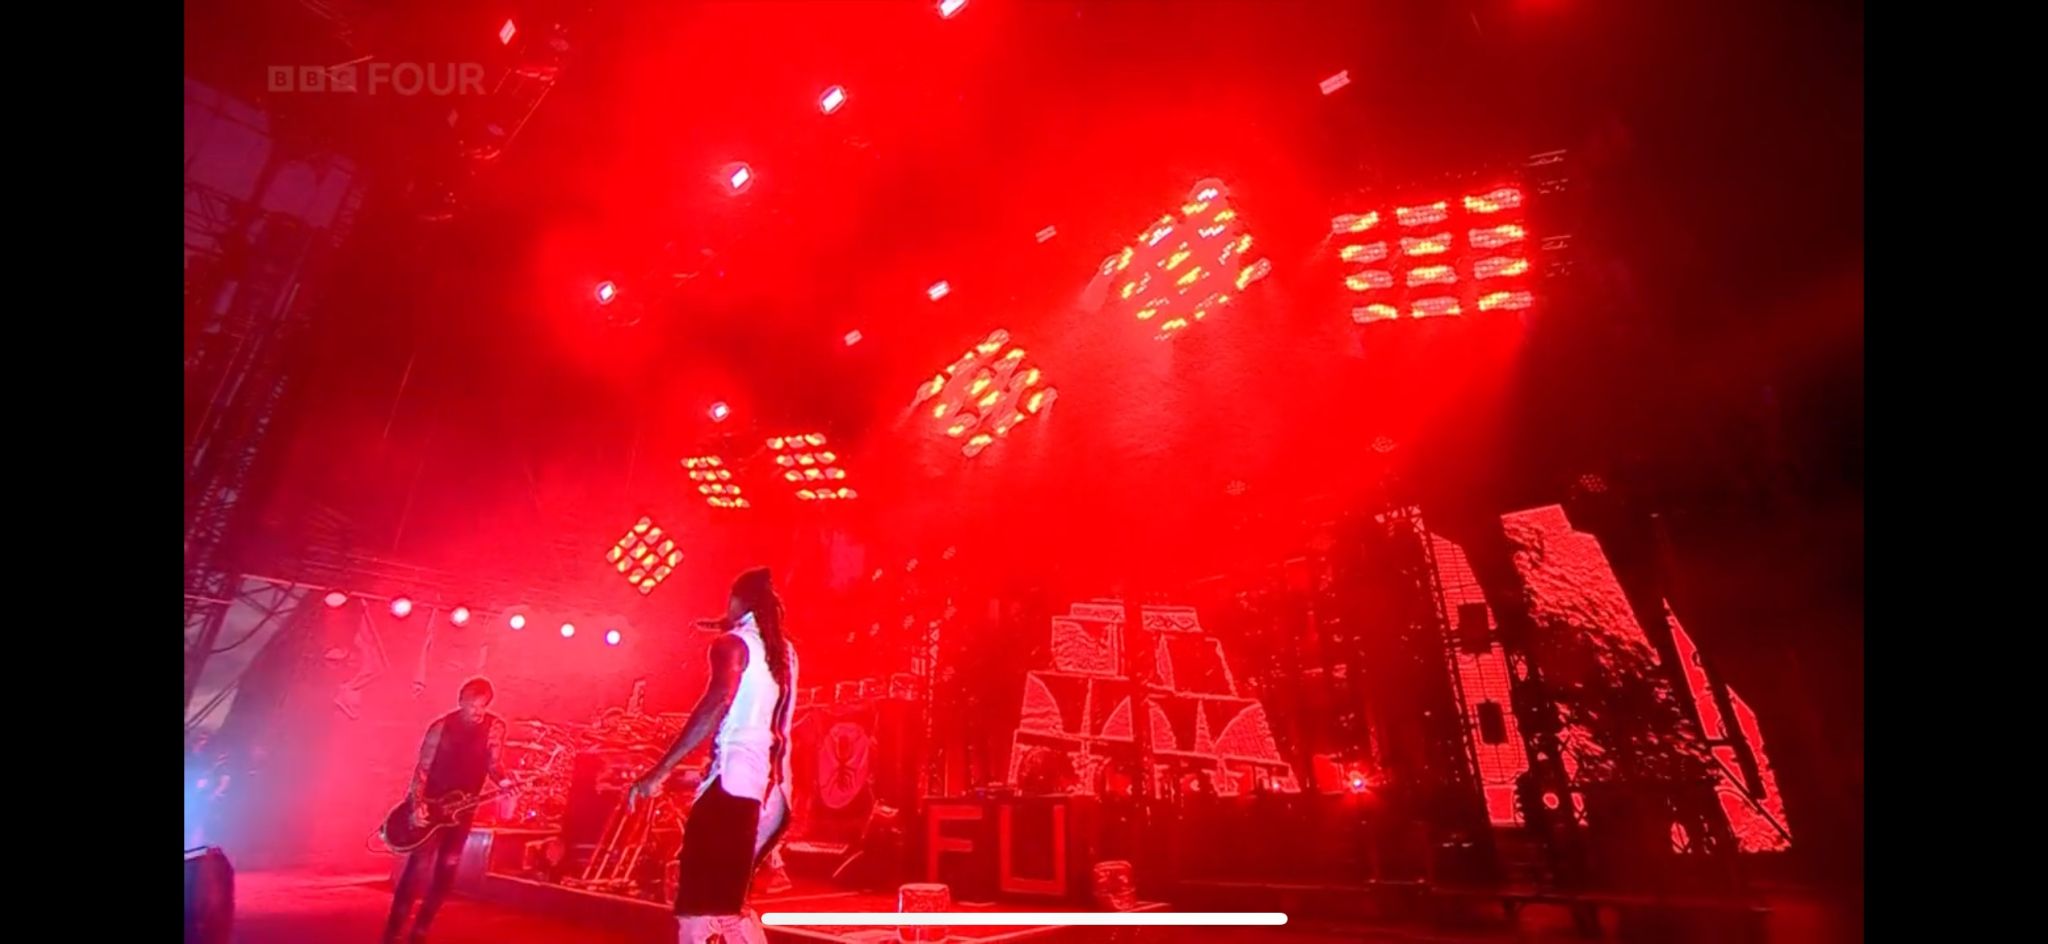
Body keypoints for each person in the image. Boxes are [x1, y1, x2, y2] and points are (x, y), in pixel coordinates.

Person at [628, 567, 798, 944]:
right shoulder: (785, 652)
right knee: (726, 905)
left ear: (738, 601)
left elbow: (717, 703)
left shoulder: (733, 645)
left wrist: (660, 770)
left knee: (697, 908)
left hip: (732, 789)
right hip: (772, 796)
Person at [383, 677, 509, 944]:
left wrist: (505, 782)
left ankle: (421, 930)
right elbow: (422, 769)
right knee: (417, 870)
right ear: (461, 702)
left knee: (447, 871)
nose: (477, 712)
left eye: (483, 706)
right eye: (472, 705)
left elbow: (494, 764)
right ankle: (393, 933)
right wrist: (416, 805)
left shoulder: (494, 727)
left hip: (462, 811)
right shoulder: (441, 727)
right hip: (432, 806)